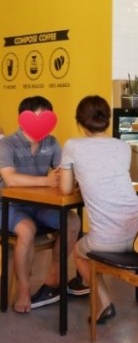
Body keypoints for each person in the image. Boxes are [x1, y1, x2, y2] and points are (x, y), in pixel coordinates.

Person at [60, 95, 138, 324]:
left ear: (80, 122)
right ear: (107, 120)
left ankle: (104, 303)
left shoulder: (72, 146)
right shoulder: (123, 146)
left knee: (79, 252)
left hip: (107, 241)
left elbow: (65, 189)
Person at [0, 96, 82, 313]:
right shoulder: (6, 144)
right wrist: (46, 181)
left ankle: (52, 280)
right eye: (37, 119)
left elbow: (61, 173)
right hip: (8, 206)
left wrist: (70, 178)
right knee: (27, 230)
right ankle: (24, 290)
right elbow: (10, 179)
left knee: (73, 221)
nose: (41, 125)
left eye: (46, 119)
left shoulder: (52, 142)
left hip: (39, 204)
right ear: (22, 119)